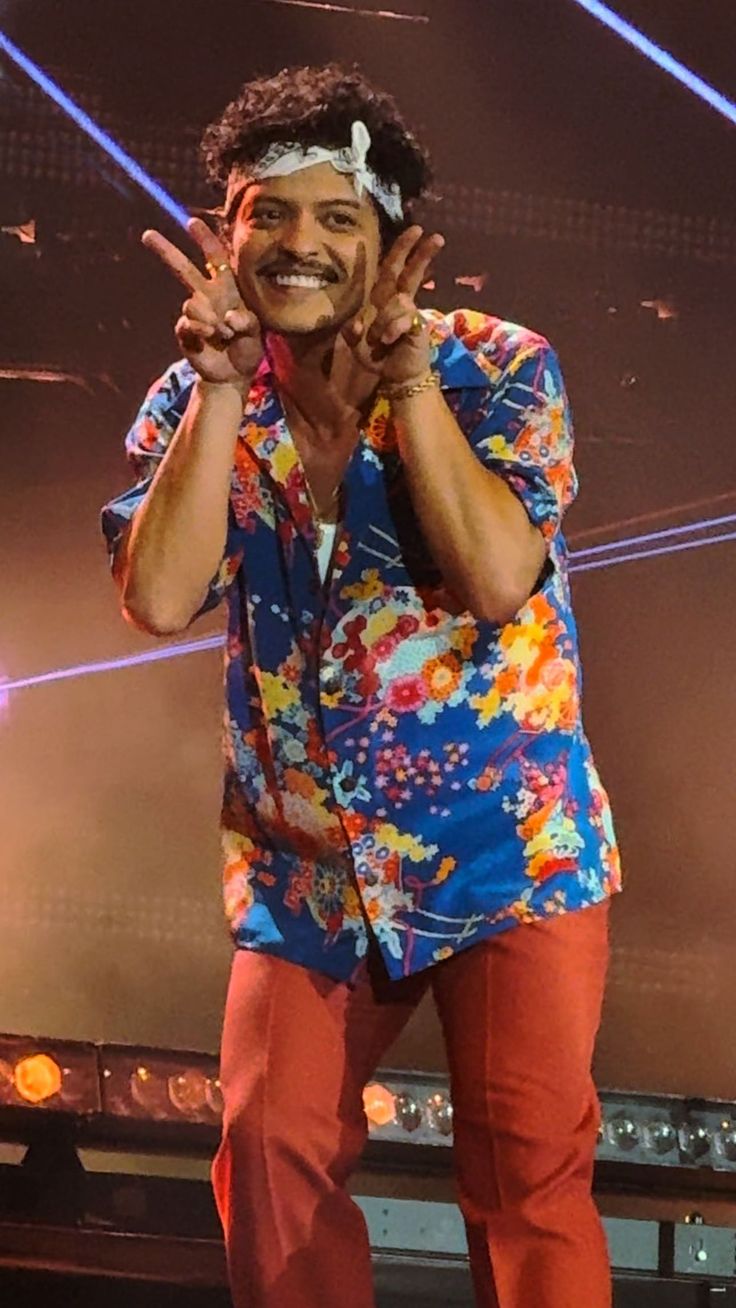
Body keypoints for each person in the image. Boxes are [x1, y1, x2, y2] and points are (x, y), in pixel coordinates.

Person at [102, 62, 622, 1308]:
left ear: (390, 241)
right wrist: (221, 393)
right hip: (305, 861)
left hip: (504, 848)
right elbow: (159, 598)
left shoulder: (499, 369)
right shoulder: (197, 392)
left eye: (338, 217)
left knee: (526, 1174)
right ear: (224, 238)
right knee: (270, 1155)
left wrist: (406, 387)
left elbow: (498, 579)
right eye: (267, 215)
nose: (300, 244)